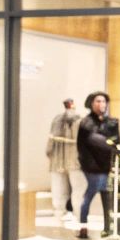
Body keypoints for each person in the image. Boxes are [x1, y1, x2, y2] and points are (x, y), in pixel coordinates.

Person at [75, 90, 120, 240]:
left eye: (103, 101)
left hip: (107, 166)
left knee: (106, 196)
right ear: (91, 103)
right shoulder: (86, 123)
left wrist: (112, 146)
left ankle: (107, 228)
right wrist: (109, 143)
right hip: (92, 167)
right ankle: (83, 226)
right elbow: (93, 141)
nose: (101, 104)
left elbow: (117, 141)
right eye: (97, 101)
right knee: (91, 193)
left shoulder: (112, 122)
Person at [45, 96, 85, 227]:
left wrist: (50, 153)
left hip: (61, 159)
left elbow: (49, 146)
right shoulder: (79, 120)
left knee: (65, 190)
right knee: (72, 190)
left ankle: (66, 214)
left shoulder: (59, 119)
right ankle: (75, 216)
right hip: (73, 159)